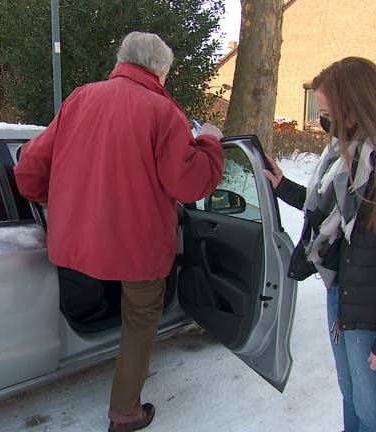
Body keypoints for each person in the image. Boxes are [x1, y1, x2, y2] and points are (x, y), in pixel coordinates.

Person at [13, 31, 224, 432]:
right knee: (140, 322)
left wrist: (52, 200)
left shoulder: (79, 98)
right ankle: (125, 414)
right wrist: (210, 143)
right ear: (159, 71)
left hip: (76, 244)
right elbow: (189, 184)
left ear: (122, 61)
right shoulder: (164, 112)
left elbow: (29, 169)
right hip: (138, 251)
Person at [264, 57, 376, 432]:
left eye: (329, 112)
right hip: (342, 295)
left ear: (357, 105)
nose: (324, 122)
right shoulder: (349, 153)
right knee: (350, 396)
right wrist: (283, 186)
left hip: (375, 312)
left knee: (372, 408)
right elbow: (332, 210)